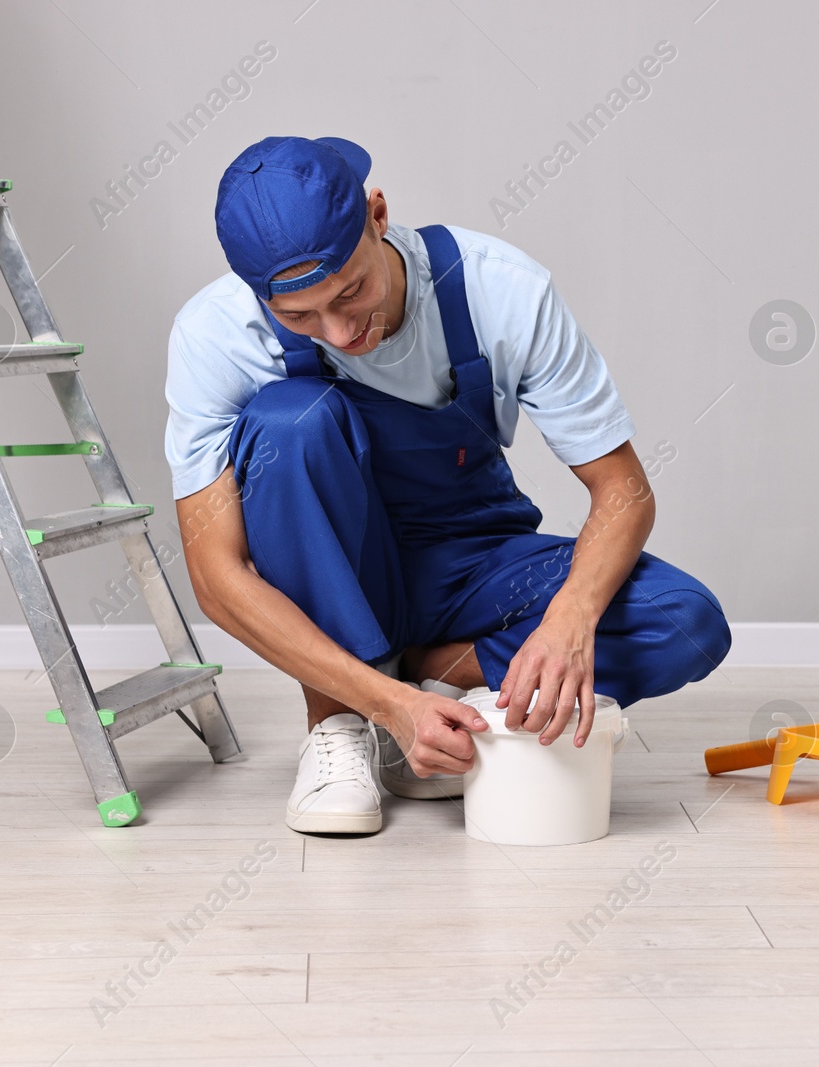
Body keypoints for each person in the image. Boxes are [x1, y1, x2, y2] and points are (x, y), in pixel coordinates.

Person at [165, 135, 731, 833]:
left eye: (352, 292)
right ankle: (339, 723)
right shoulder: (215, 334)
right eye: (300, 316)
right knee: (290, 422)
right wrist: (386, 706)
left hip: (469, 564)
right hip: (332, 569)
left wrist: (568, 621)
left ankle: (433, 676)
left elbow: (623, 491)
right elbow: (216, 574)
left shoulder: (501, 289)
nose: (341, 332)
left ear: (378, 215)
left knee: (686, 620)